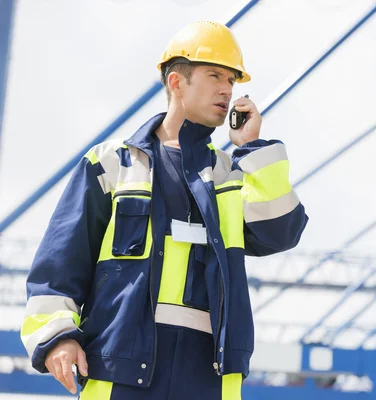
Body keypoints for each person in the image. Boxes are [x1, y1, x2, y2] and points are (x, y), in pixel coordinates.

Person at [20, 20, 309, 399]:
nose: (227, 88)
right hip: (121, 368)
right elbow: (58, 267)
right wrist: (57, 337)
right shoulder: (111, 165)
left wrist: (251, 149)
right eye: (214, 75)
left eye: (232, 80)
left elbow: (279, 233)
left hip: (209, 377)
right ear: (176, 82)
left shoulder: (231, 176)